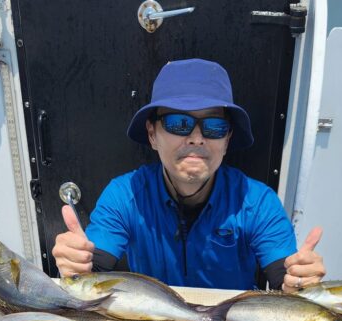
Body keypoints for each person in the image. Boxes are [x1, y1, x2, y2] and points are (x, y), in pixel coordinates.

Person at [52, 59, 325, 292]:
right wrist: (77, 266)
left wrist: (298, 281)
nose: (196, 138)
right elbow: (94, 268)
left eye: (214, 126)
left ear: (227, 139)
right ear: (152, 134)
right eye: (178, 123)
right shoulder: (124, 195)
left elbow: (283, 279)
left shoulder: (259, 201)